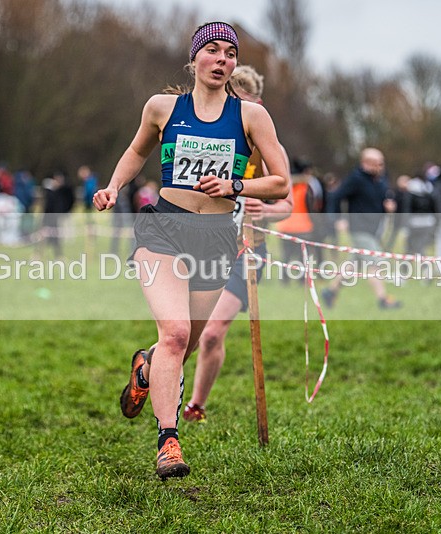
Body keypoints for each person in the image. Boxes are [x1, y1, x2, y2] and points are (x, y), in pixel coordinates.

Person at [93, 22, 289, 480]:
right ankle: (168, 441)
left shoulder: (251, 116)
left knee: (181, 347)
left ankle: (146, 368)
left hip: (217, 238)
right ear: (195, 58)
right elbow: (136, 152)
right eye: (213, 51)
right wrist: (113, 186)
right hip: (164, 228)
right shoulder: (162, 107)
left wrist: (235, 185)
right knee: (177, 333)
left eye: (230, 54)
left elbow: (281, 182)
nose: (222, 60)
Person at [183, 64, 293, 423]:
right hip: (201, 245)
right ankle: (153, 373)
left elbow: (288, 203)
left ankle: (196, 405)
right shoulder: (206, 136)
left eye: (247, 105)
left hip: (247, 250)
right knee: (185, 331)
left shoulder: (266, 145)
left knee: (213, 330)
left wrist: (268, 210)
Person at [321, 147, 401, 310]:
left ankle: (330, 291)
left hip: (374, 228)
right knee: (375, 261)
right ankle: (383, 300)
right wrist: (337, 220)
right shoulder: (355, 179)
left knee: (354, 264)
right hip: (359, 228)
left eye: (381, 163)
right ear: (365, 163)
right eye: (376, 164)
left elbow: (383, 197)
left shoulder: (381, 179)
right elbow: (336, 197)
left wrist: (388, 205)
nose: (380, 167)